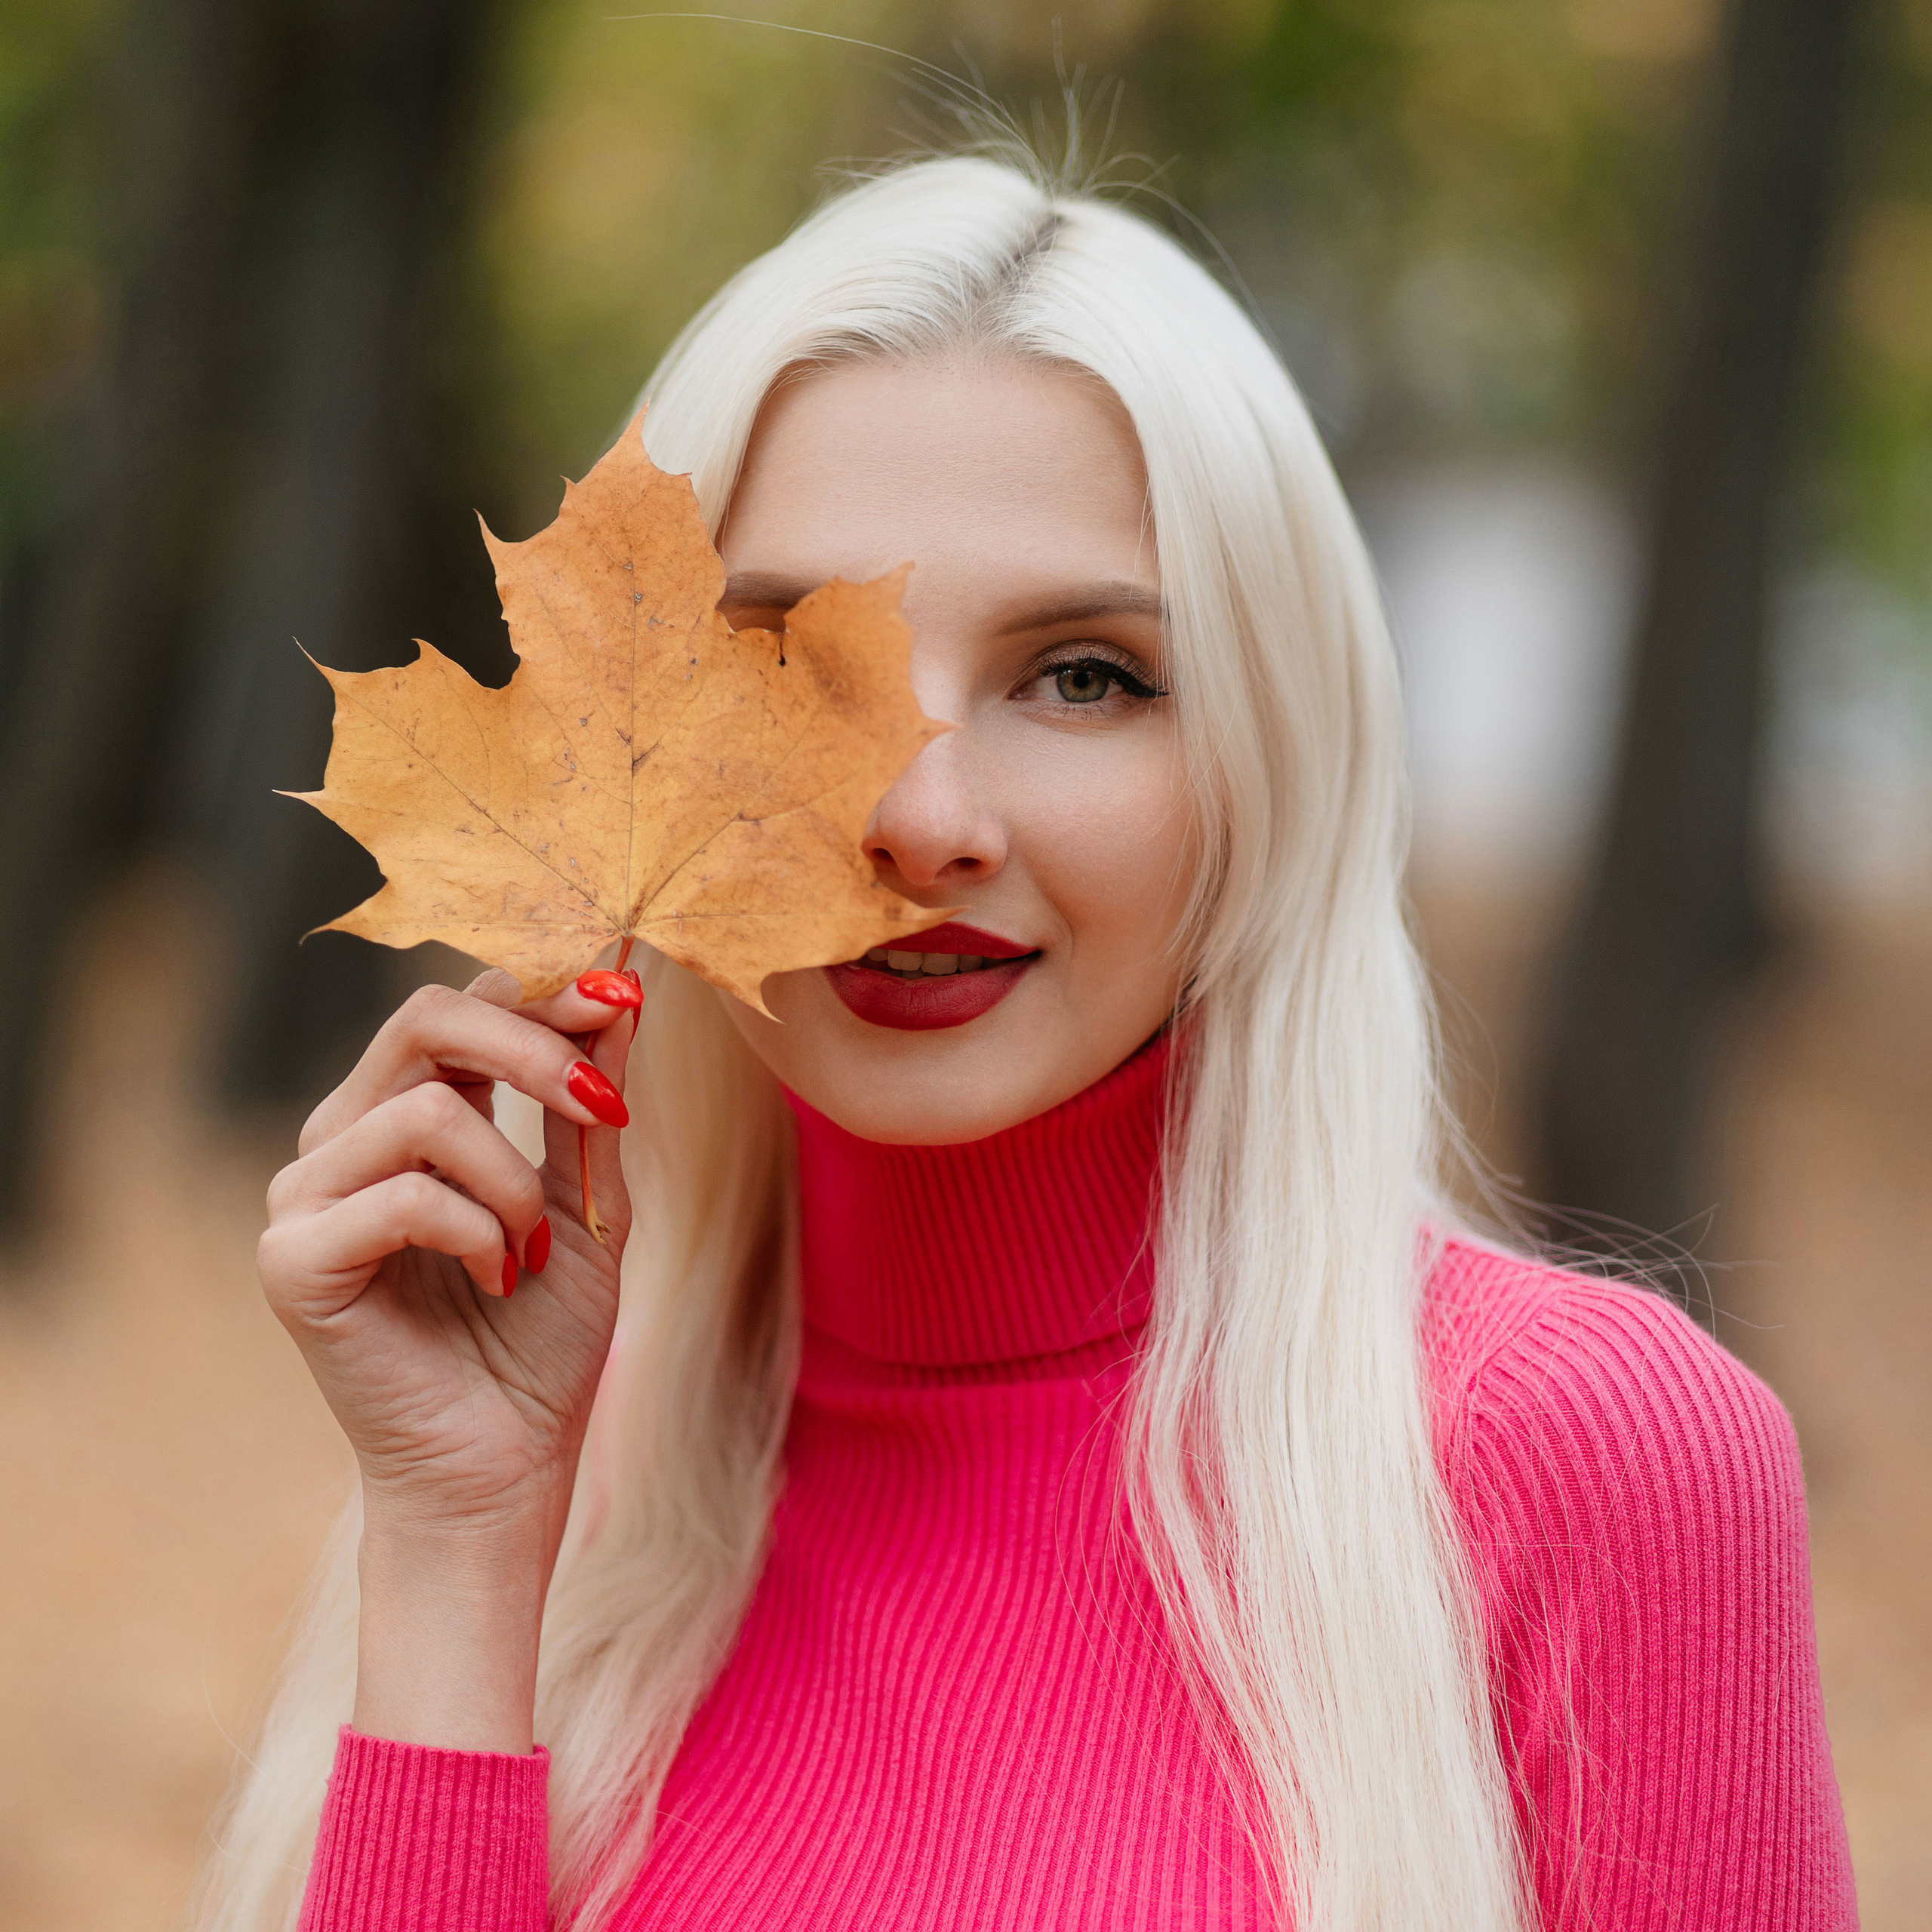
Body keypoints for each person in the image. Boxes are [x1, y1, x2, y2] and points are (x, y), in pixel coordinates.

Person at [193, 152, 1854, 1932]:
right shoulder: (558, 1466)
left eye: (1083, 675)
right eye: (788, 672)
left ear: (1263, 772)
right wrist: (454, 1546)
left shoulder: (1577, 1460)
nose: (925, 818)